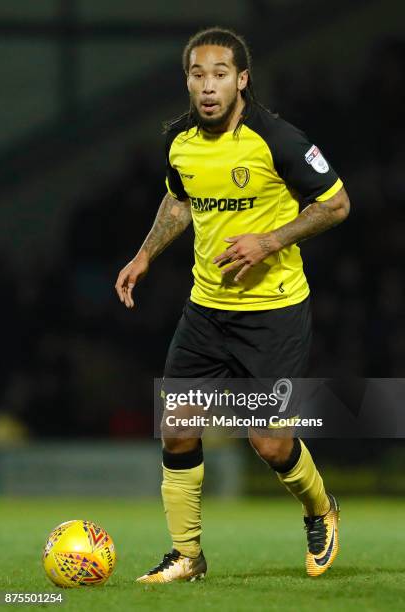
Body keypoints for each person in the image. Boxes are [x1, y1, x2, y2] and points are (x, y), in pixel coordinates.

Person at [115, 27, 350, 583]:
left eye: (220, 74)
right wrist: (145, 254)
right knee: (177, 426)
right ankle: (187, 556)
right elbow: (179, 198)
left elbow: (337, 204)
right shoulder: (180, 142)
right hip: (206, 310)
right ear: (188, 82)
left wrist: (270, 241)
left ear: (242, 80)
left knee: (268, 442)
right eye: (198, 75)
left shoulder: (278, 139)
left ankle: (321, 509)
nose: (208, 86)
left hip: (274, 311)